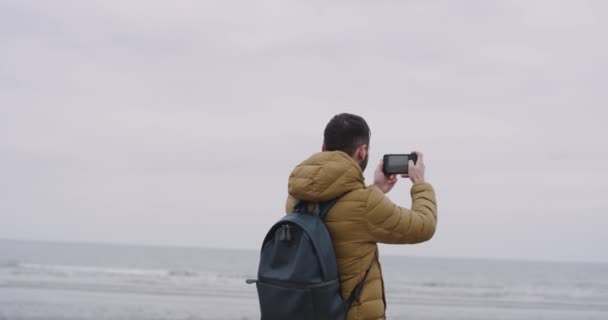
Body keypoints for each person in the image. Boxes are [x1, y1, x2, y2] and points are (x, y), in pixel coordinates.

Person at [285, 113, 438, 320]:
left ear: (323, 148)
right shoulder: (366, 204)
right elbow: (424, 226)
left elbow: (339, 214)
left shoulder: (296, 197)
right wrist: (420, 184)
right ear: (362, 151)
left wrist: (375, 189)